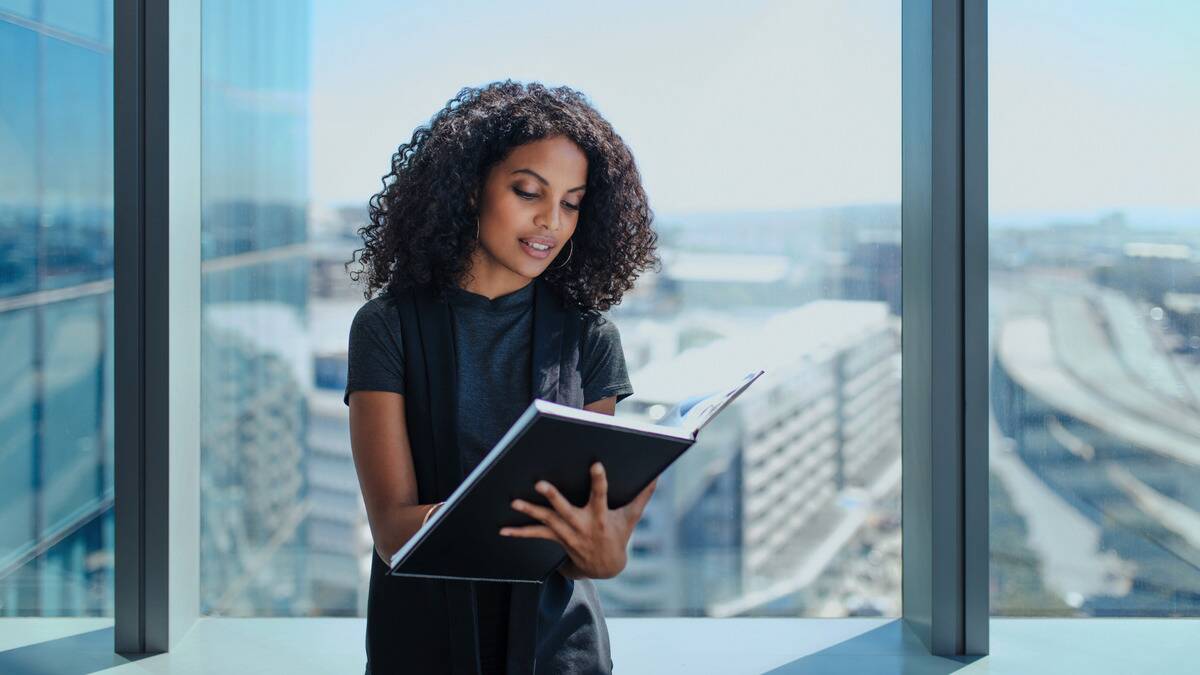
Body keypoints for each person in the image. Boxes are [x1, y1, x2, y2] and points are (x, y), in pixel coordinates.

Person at [342, 80, 662, 675]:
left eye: (571, 202)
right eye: (527, 191)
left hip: (561, 655)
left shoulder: (591, 340)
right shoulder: (386, 327)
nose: (551, 220)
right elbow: (393, 533)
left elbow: (585, 545)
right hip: (421, 651)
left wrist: (604, 553)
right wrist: (551, 529)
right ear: (469, 189)